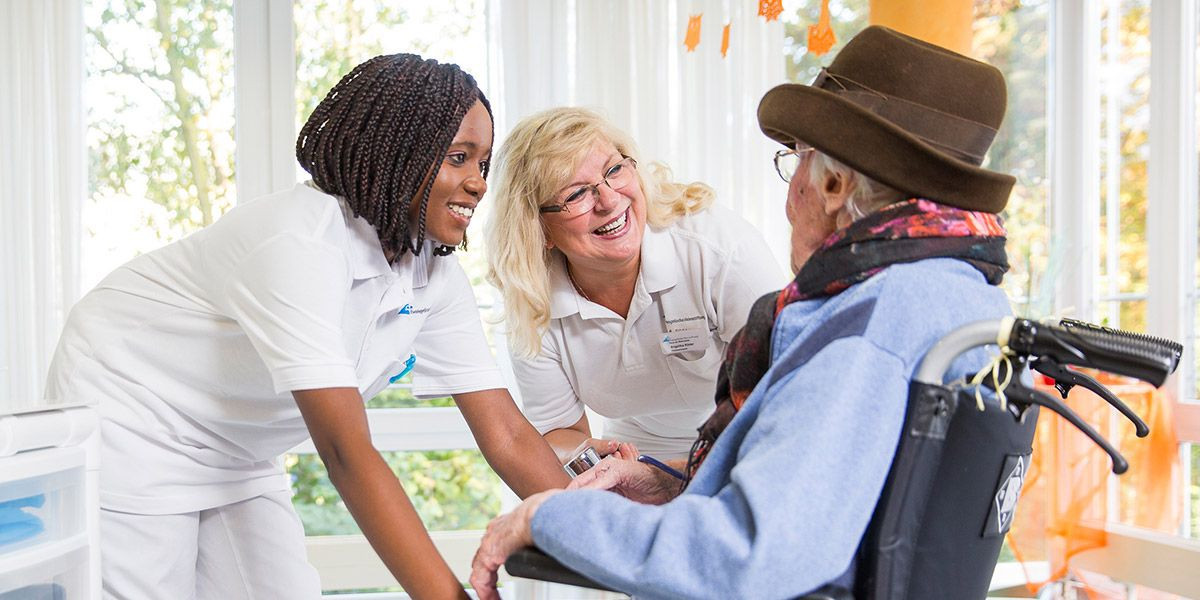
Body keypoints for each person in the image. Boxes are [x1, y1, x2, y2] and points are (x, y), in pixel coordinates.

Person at [470, 26, 1016, 599]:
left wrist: (544, 518)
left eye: (794, 162)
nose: (789, 192)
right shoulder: (959, 294)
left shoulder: (860, 334)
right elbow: (815, 485)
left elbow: (744, 557)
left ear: (831, 184)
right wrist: (667, 480)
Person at [44, 54, 568, 600]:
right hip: (132, 409)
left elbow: (504, 433)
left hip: (235, 445)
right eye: (459, 158)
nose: (478, 184)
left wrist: (615, 548)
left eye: (483, 164)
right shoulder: (300, 242)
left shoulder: (431, 273)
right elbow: (345, 452)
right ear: (396, 151)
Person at [484, 107, 784, 464]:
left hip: (741, 446)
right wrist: (596, 461)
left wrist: (685, 476)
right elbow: (558, 432)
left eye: (614, 170)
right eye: (576, 194)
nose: (610, 200)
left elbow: (785, 393)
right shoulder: (533, 298)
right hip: (633, 455)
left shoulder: (716, 248)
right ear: (538, 228)